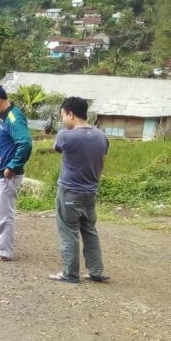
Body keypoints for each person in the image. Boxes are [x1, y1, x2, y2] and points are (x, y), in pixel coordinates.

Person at [48, 96, 109, 283]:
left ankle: (70, 273)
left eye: (63, 116)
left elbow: (57, 149)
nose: (63, 120)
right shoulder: (101, 135)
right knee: (89, 230)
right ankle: (96, 271)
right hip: (91, 192)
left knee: (69, 231)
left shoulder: (65, 135)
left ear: (71, 114)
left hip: (69, 191)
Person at [0, 85, 32, 261]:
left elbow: (25, 143)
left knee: (4, 213)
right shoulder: (4, 118)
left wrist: (12, 166)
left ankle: (4, 251)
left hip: (7, 173)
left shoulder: (13, 117)